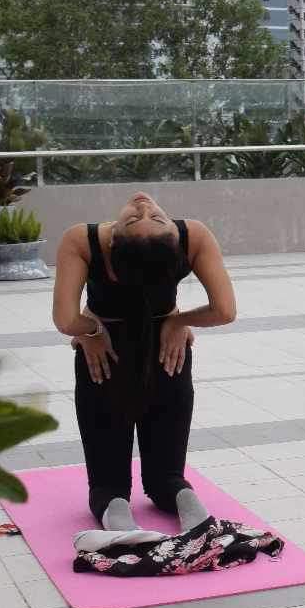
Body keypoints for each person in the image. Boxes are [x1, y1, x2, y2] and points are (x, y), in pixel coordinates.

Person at [51, 191, 237, 538]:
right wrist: (177, 322)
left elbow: (65, 320)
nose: (145, 206)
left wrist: (91, 329)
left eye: (150, 217)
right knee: (165, 479)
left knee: (110, 486)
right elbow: (224, 311)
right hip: (159, 351)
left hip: (106, 354)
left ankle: (129, 521)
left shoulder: (83, 239)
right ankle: (187, 517)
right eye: (141, 218)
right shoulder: (193, 234)